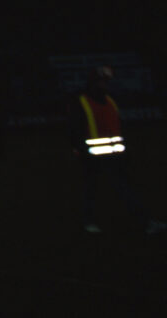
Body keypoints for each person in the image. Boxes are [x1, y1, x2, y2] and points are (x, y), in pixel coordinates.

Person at [70, 65, 164, 235]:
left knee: (121, 189)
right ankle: (89, 222)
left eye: (106, 81)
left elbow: (118, 129)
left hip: (115, 157)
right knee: (93, 191)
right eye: (101, 81)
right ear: (92, 82)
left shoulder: (110, 101)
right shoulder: (82, 102)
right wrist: (80, 151)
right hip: (93, 158)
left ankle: (144, 222)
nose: (104, 85)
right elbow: (74, 130)